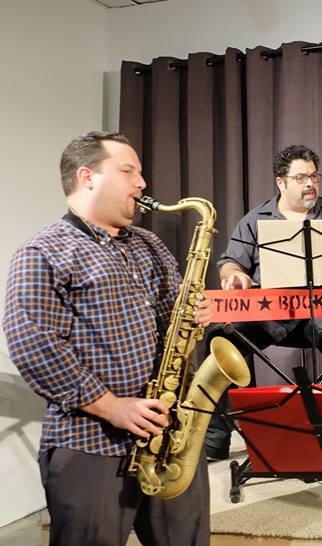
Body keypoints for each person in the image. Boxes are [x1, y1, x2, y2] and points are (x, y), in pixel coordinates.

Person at [3, 132, 214, 546]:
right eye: (128, 171)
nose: (142, 183)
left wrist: (196, 317)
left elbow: (177, 324)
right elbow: (34, 344)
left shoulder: (149, 244)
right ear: (87, 177)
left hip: (170, 437)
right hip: (90, 443)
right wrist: (112, 406)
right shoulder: (43, 251)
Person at [203, 144, 322, 459]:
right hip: (272, 315)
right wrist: (235, 275)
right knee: (221, 337)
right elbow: (231, 262)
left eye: (315, 177)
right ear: (281, 182)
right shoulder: (255, 219)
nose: (310, 184)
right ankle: (221, 436)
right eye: (301, 177)